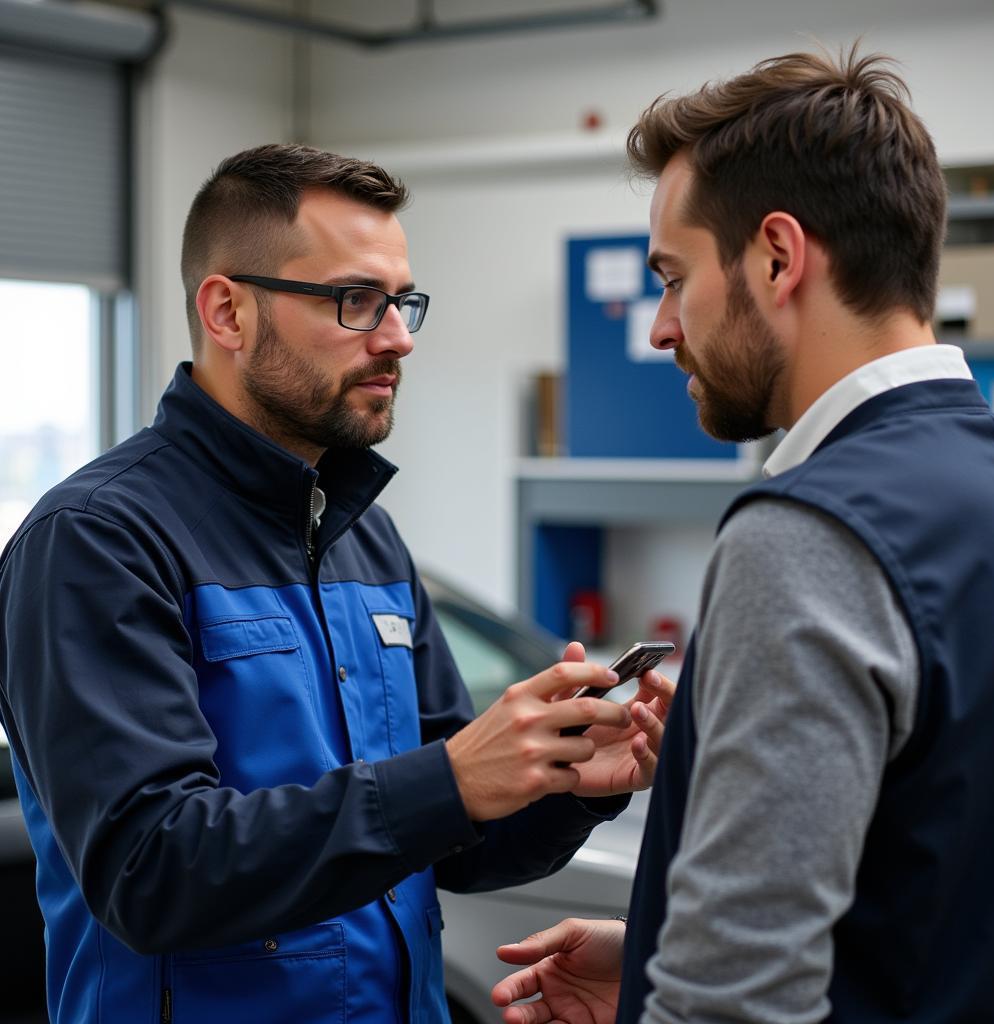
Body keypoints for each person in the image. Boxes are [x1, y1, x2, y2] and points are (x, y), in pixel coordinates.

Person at [0, 143, 675, 1024]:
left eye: (402, 302)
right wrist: (454, 780)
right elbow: (150, 871)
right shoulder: (96, 542)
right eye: (356, 301)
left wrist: (567, 785)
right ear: (228, 312)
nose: (396, 336)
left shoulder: (366, 538)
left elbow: (451, 847)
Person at [492, 47, 994, 1023]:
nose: (659, 328)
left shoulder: (807, 535)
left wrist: (687, 981)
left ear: (777, 256)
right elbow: (950, 881)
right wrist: (651, 946)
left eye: (673, 276)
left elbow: (733, 1001)